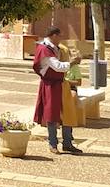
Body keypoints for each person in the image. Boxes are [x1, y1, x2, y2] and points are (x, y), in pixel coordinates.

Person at [32, 27, 82, 155]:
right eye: (60, 36)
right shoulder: (44, 49)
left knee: (67, 113)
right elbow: (58, 67)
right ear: (54, 35)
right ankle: (52, 143)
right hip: (50, 85)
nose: (61, 38)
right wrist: (73, 63)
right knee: (51, 114)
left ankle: (67, 143)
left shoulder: (57, 48)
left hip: (61, 84)